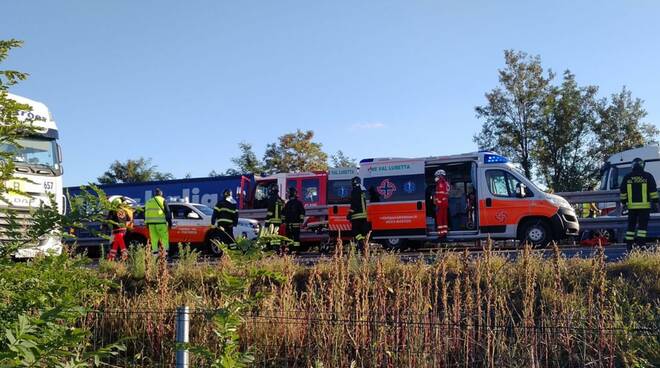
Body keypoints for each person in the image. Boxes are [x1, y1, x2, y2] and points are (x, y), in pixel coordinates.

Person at [620, 157, 658, 250]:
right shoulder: (648, 176)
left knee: (631, 227)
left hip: (632, 207)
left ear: (632, 166)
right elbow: (653, 191)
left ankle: (629, 246)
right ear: (642, 165)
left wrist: (624, 202)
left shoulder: (627, 177)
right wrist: (656, 202)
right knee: (642, 227)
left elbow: (623, 192)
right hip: (644, 207)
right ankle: (641, 245)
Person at [145, 188, 172, 257]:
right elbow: (168, 212)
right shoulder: (163, 200)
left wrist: (146, 223)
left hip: (151, 224)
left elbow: (145, 213)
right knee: (164, 238)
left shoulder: (148, 201)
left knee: (154, 239)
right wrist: (170, 223)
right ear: (161, 194)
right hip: (161, 223)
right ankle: (165, 255)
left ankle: (155, 255)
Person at [106, 197, 133, 261]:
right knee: (115, 244)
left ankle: (125, 257)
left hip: (116, 230)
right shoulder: (124, 211)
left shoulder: (112, 210)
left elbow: (108, 220)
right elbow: (129, 220)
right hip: (124, 230)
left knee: (122, 245)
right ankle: (111, 258)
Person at [347, 176, 369, 249]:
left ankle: (360, 241)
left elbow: (355, 203)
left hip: (357, 215)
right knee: (362, 231)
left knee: (355, 230)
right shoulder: (363, 191)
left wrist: (350, 213)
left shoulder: (355, 191)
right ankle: (361, 245)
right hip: (364, 215)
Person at [265, 186, 284, 250]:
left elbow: (270, 211)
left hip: (272, 221)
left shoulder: (271, 199)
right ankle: (277, 249)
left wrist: (267, 221)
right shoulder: (280, 200)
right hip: (279, 221)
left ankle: (272, 250)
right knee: (276, 236)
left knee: (271, 236)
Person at [434, 169, 449, 238]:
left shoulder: (440, 183)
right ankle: (444, 233)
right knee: (444, 218)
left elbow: (440, 194)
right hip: (444, 203)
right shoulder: (445, 183)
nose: (436, 178)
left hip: (440, 204)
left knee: (439, 219)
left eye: (437, 176)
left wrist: (437, 204)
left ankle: (441, 234)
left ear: (440, 176)